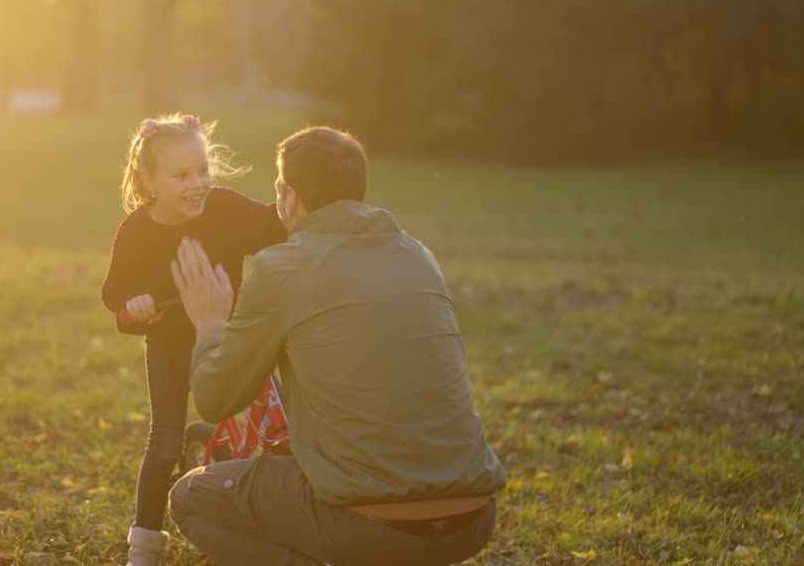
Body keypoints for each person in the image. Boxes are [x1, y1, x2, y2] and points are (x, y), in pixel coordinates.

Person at [168, 126, 506, 566]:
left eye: (278, 191)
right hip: (472, 520)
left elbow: (215, 400)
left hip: (369, 525)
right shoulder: (416, 254)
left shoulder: (283, 267)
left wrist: (210, 323)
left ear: (289, 197)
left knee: (190, 497)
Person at [100, 113, 287, 566]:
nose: (197, 184)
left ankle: (274, 514)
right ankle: (144, 544)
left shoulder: (224, 208)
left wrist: (296, 200)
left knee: (276, 429)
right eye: (181, 175)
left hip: (231, 337)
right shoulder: (136, 232)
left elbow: (274, 229)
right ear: (149, 180)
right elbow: (114, 293)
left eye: (202, 170)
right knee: (164, 439)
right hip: (169, 342)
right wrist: (136, 302)